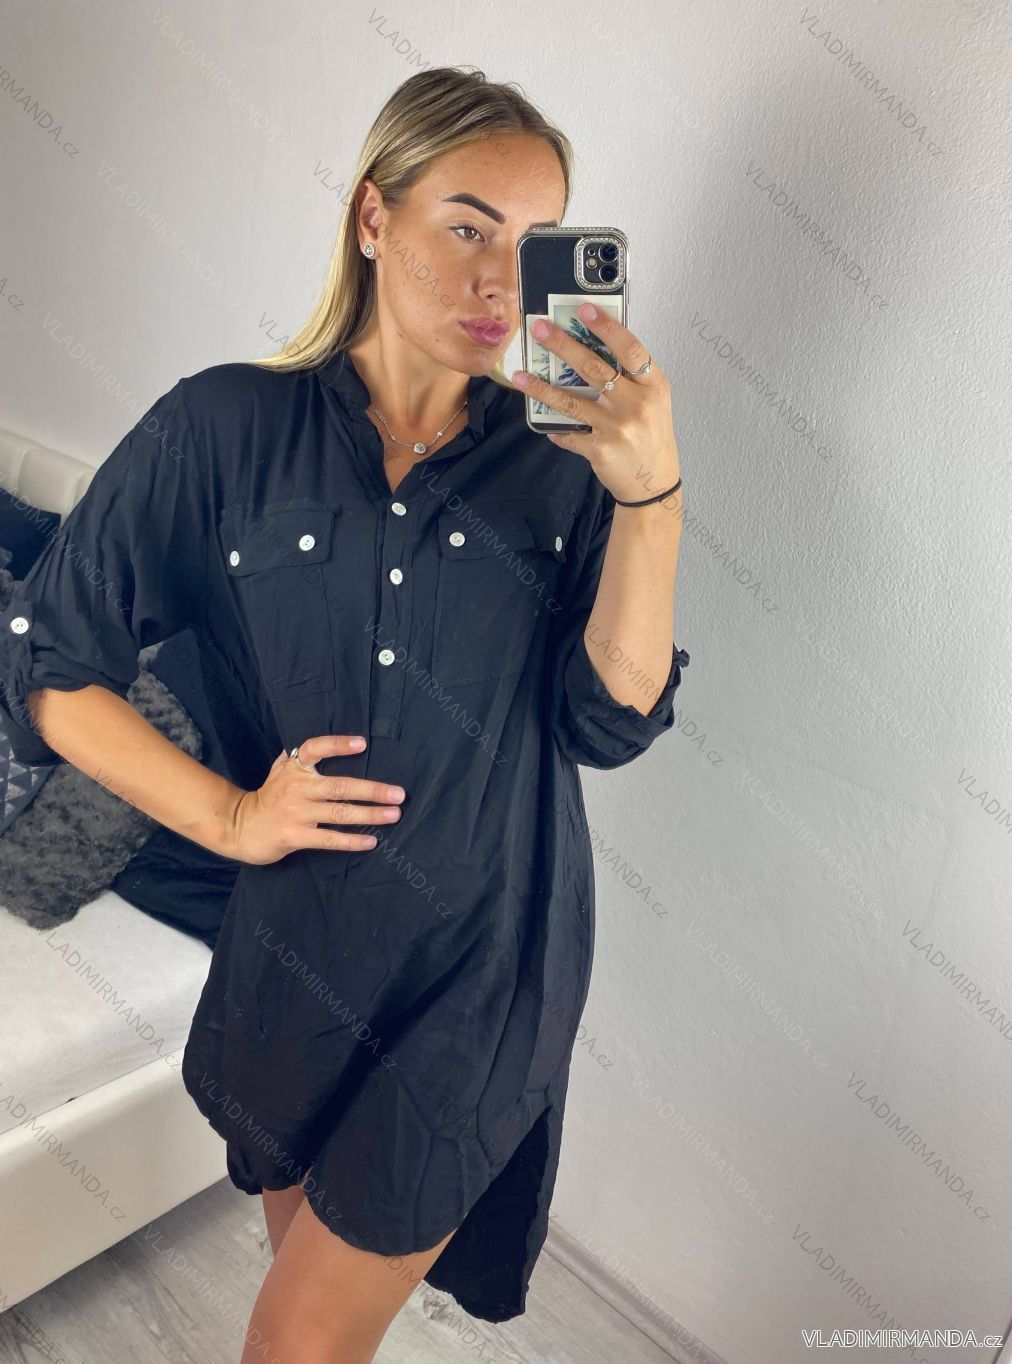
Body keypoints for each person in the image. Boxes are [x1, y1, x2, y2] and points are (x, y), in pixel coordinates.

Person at [0, 65, 689, 1364]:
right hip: (299, 946)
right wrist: (231, 818)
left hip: (487, 967)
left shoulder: (566, 467)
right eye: (467, 226)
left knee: (293, 1342)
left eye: (533, 246)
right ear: (375, 216)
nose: (499, 281)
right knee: (302, 1285)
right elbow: (52, 664)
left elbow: (610, 719)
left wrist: (651, 496)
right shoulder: (226, 429)